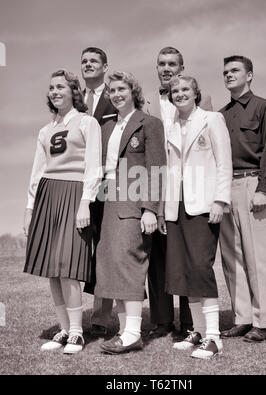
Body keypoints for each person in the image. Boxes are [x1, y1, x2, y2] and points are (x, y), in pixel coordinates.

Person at [23, 69, 102, 354]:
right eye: (51, 88)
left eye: (60, 87)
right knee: (52, 269)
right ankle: (64, 329)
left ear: (74, 91)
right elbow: (37, 171)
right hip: (48, 195)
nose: (54, 91)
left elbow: (94, 166)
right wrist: (30, 209)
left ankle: (78, 332)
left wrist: (85, 202)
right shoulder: (45, 130)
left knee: (68, 266)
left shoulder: (86, 122)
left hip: (73, 193)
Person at [94, 71, 166, 354]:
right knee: (113, 267)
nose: (116, 94)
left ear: (133, 91)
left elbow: (157, 169)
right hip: (109, 200)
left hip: (135, 202)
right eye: (112, 90)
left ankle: (134, 332)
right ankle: (126, 331)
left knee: (130, 265)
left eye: (121, 88)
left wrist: (150, 209)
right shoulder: (107, 127)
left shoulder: (150, 123)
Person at [162, 75, 232, 359]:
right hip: (175, 206)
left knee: (201, 267)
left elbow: (224, 161)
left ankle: (214, 337)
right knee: (184, 270)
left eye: (185, 90)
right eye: (175, 91)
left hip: (203, 204)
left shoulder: (212, 119)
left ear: (196, 93)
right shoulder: (170, 126)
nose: (179, 94)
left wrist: (220, 199)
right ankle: (199, 331)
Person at [146, 46, 213, 339]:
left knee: (187, 255)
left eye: (172, 63)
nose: (166, 68)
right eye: (161, 63)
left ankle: (191, 323)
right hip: (154, 181)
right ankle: (162, 321)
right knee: (159, 256)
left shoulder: (203, 100)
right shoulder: (146, 103)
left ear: (182, 67)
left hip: (189, 185)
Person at [219, 55, 266, 342]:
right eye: (226, 72)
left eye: (235, 71)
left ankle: (264, 321)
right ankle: (243, 318)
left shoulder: (264, 108)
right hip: (226, 188)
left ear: (250, 75)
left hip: (254, 184)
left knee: (259, 258)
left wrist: (263, 189)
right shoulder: (221, 115)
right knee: (233, 258)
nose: (229, 75)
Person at [81, 47, 117, 337]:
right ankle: (71, 312)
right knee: (82, 247)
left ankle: (102, 317)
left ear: (106, 66)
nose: (88, 64)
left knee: (106, 248)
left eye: (93, 61)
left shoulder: (116, 96)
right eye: (84, 61)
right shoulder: (74, 99)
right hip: (78, 184)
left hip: (108, 183)